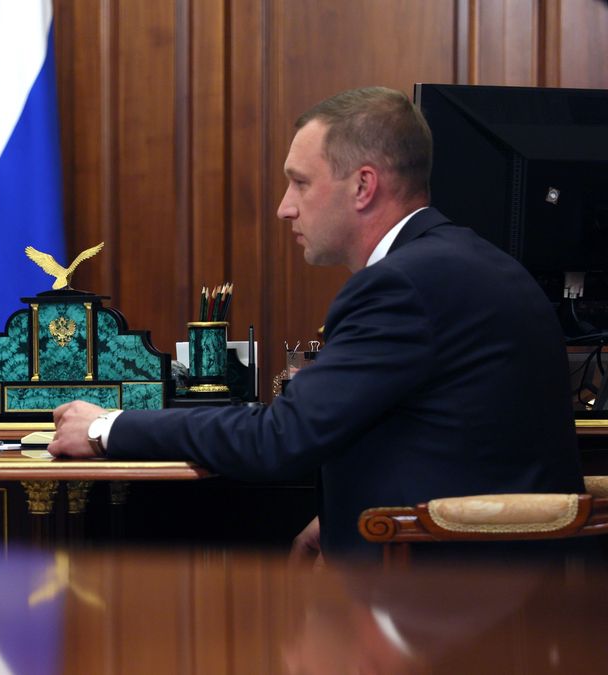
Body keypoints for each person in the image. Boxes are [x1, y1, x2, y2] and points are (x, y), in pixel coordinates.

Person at [48, 87, 585, 559]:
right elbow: (455, 438)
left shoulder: (403, 286)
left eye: (300, 183)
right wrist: (342, 517)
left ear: (362, 186)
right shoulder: (470, 261)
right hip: (499, 580)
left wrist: (106, 427)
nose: (285, 208)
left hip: (437, 601)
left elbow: (281, 438)